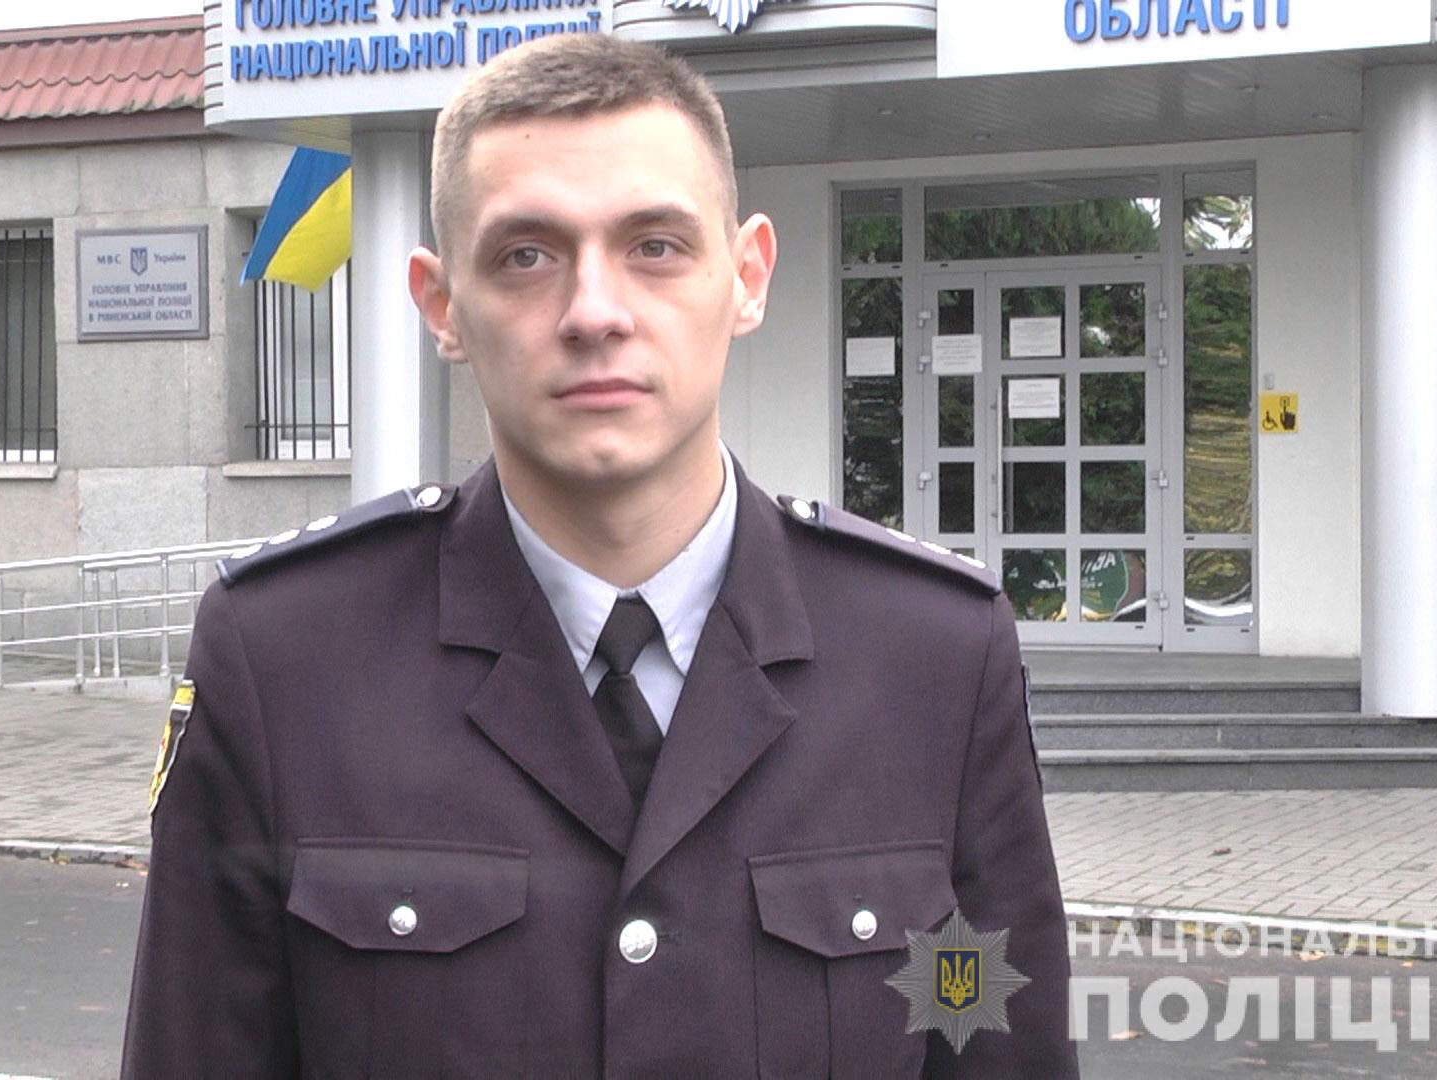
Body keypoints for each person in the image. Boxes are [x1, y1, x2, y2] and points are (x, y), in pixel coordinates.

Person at [121, 32, 1077, 1078]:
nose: (594, 313)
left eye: (655, 245)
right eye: (525, 256)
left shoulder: (933, 659)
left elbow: (988, 1041)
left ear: (747, 276)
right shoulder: (285, 658)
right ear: (443, 305)